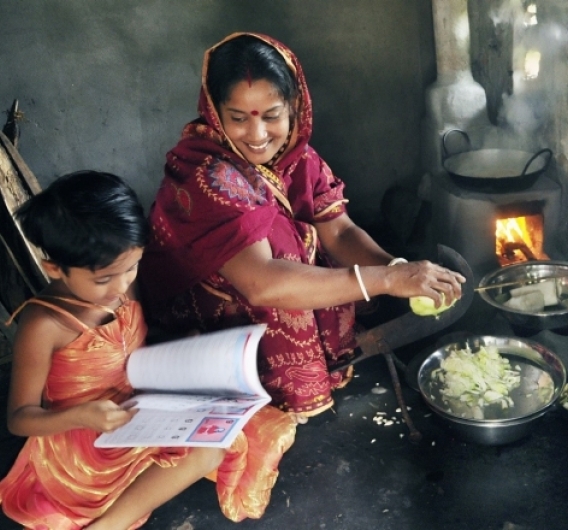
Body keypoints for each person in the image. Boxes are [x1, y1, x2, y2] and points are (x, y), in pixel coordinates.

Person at [140, 32, 465, 422]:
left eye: (272, 116)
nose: (258, 137)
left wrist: (399, 270)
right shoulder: (208, 176)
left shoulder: (297, 156)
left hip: (260, 293)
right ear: (214, 112)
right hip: (205, 325)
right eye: (238, 119)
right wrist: (386, 281)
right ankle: (272, 389)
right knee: (282, 244)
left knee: (305, 238)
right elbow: (263, 283)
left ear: (294, 105)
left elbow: (340, 231)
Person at [0, 171, 295, 529]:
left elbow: (133, 339)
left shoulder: (124, 284)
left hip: (139, 409)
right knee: (206, 450)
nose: (121, 285)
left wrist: (186, 352)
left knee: (223, 437)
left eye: (131, 268)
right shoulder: (43, 324)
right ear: (54, 269)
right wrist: (83, 416)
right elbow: (20, 419)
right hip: (82, 439)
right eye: (104, 279)